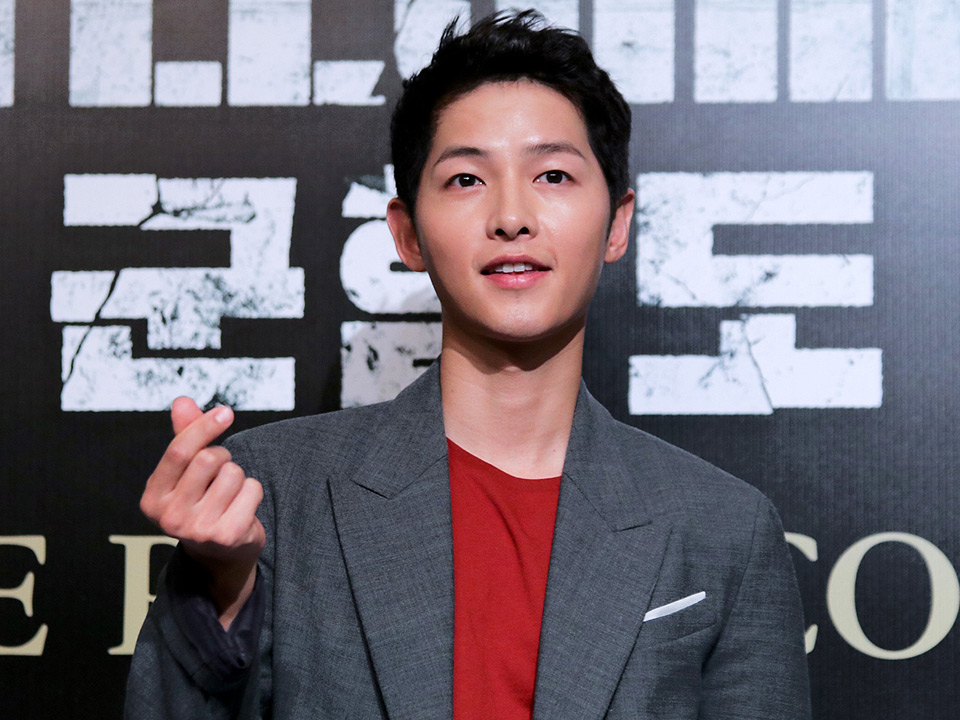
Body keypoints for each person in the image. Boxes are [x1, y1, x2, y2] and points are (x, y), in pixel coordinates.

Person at [126, 10, 811, 719]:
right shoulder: (271, 495)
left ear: (617, 223)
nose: (511, 216)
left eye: (553, 174)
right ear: (407, 235)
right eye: (465, 180)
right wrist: (221, 587)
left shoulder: (724, 529)